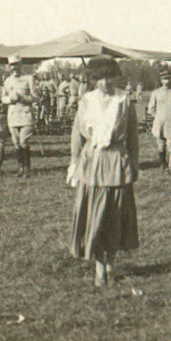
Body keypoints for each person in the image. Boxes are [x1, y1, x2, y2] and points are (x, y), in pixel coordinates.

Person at [68, 56, 140, 287]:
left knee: (115, 216)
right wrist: (73, 162)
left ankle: (110, 264)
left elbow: (133, 137)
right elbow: (76, 136)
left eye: (109, 77)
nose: (105, 83)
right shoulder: (87, 101)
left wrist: (134, 164)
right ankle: (99, 268)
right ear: (93, 80)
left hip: (117, 164)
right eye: (99, 78)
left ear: (115, 77)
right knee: (96, 217)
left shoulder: (124, 101)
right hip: (92, 164)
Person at [4, 57, 40, 177]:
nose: (14, 68)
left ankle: (27, 168)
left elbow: (35, 97)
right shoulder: (7, 81)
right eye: (12, 65)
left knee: (23, 141)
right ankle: (21, 168)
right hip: (13, 116)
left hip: (25, 115)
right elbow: (3, 97)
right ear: (9, 67)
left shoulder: (28, 79)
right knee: (16, 143)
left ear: (21, 65)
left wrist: (22, 98)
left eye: (17, 65)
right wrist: (9, 99)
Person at [148, 72, 171, 171]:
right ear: (161, 80)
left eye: (168, 78)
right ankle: (163, 163)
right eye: (164, 79)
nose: (166, 80)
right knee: (161, 145)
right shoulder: (156, 93)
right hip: (160, 123)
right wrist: (157, 117)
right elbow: (151, 108)